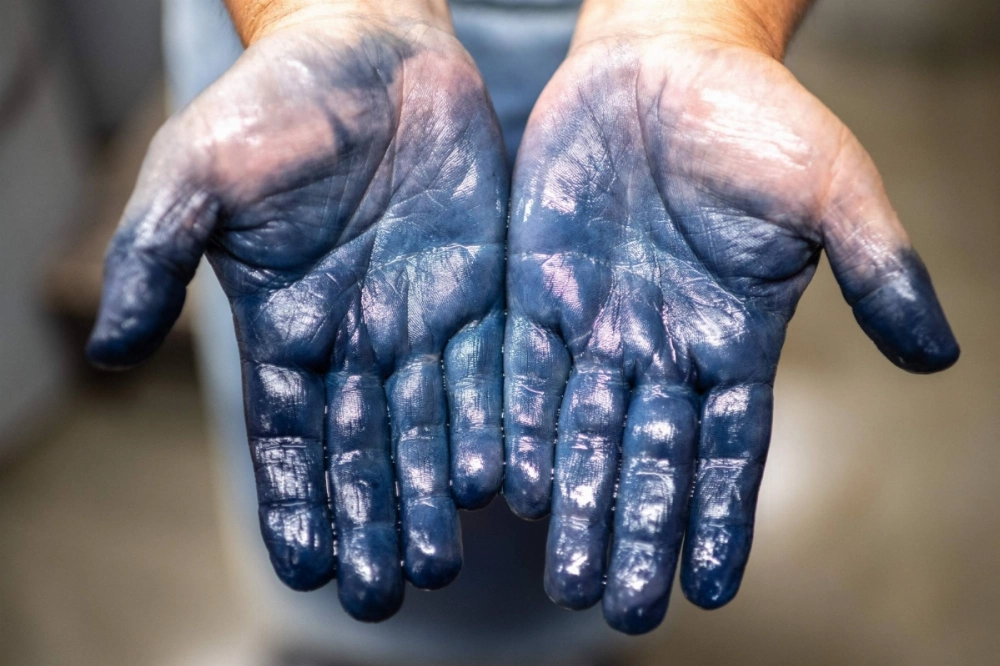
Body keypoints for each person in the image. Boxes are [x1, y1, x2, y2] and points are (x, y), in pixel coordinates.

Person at [88, 0, 958, 660]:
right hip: (312, 88)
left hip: (656, 57)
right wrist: (323, 15)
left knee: (572, 520)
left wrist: (705, 24)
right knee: (358, 469)